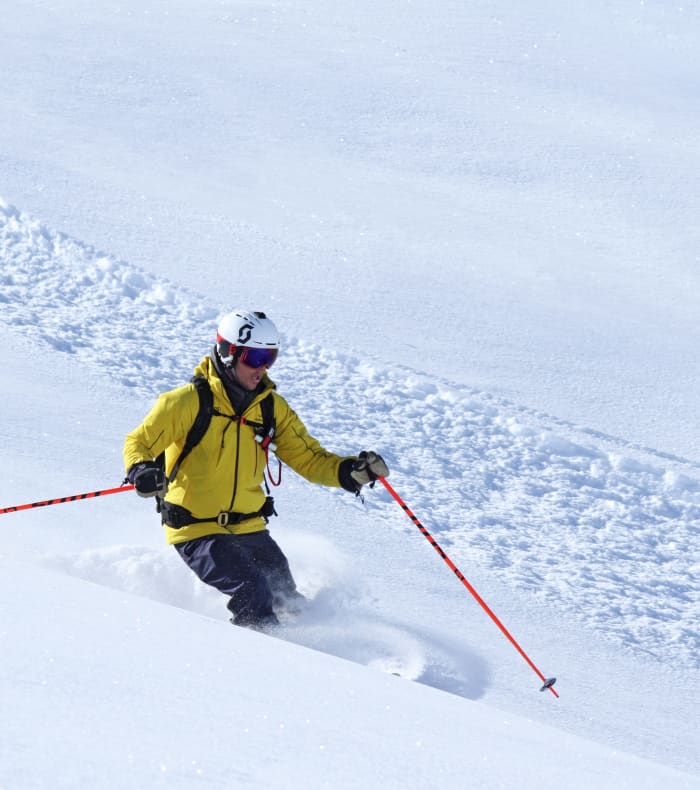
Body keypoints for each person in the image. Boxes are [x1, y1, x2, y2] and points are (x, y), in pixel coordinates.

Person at [123, 309, 389, 630]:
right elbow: (139, 442)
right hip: (197, 530)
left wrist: (349, 472)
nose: (262, 368)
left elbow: (310, 459)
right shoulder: (186, 402)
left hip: (250, 528)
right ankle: (259, 667)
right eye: (255, 357)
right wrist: (142, 470)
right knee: (253, 592)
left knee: (285, 597)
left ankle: (324, 657)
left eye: (270, 358)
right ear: (227, 353)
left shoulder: (270, 408)